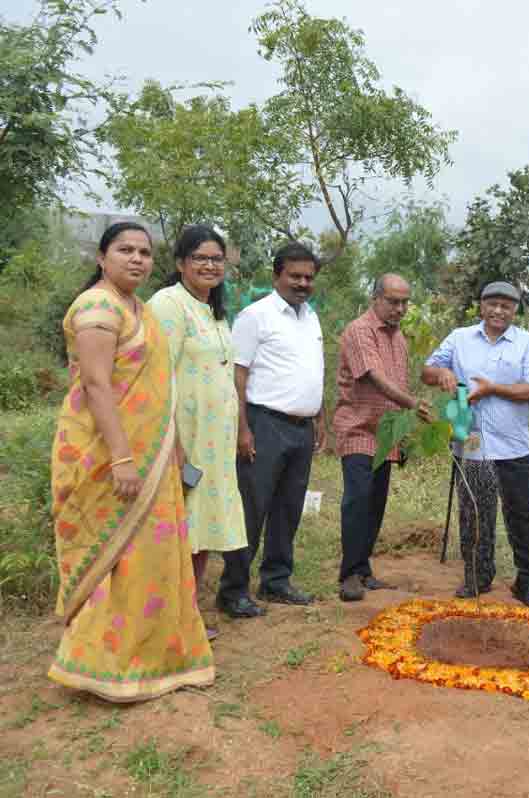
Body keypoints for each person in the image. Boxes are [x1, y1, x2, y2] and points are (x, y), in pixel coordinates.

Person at [48, 221, 214, 701]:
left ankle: (154, 657)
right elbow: (97, 386)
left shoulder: (138, 309)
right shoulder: (97, 308)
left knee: (150, 557)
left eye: (144, 252)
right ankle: (102, 665)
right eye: (125, 250)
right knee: (113, 559)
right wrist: (122, 457)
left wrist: (172, 447)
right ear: (102, 257)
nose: (137, 259)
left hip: (151, 454)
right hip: (105, 453)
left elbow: (159, 390)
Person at [147, 225, 248, 642]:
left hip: (215, 445)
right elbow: (156, 377)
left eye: (216, 259)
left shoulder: (215, 310)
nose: (210, 265)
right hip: (183, 441)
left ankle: (186, 614)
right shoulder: (168, 305)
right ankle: (165, 618)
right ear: (179, 264)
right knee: (176, 529)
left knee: (201, 526)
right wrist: (173, 443)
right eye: (200, 258)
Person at [422, 281, 529, 607]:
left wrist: (493, 389)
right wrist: (442, 375)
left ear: (515, 310)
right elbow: (427, 370)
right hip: (472, 443)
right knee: (474, 513)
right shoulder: (460, 338)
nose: (498, 310)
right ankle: (477, 575)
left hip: (514, 446)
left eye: (506, 305)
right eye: (492, 303)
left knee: (521, 514)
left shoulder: (527, 343)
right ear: (481, 305)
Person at [217, 242, 325, 617]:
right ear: (277, 275)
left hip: (301, 428)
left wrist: (318, 416)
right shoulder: (255, 316)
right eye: (295, 275)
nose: (302, 283)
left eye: (309, 277)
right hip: (264, 424)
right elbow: (238, 374)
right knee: (251, 507)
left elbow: (311, 369)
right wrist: (242, 429)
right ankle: (233, 590)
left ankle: (276, 581)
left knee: (288, 508)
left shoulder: (310, 316)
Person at [333, 274, 432, 602]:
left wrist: (402, 436)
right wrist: (414, 404)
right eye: (393, 301)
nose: (400, 308)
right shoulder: (360, 331)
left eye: (405, 302)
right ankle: (348, 575)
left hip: (386, 434)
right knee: (358, 500)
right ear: (376, 298)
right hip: (359, 429)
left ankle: (363, 569)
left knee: (375, 504)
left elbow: (399, 386)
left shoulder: (399, 338)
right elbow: (375, 378)